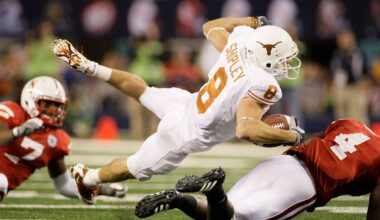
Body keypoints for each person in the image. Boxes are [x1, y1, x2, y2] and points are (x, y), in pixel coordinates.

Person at [51, 16, 303, 204]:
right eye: (283, 57)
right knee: (133, 168)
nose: (287, 63)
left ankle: (90, 67)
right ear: (267, 55)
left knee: (144, 91)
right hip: (183, 134)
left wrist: (250, 21)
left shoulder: (238, 45)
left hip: (187, 103)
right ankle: (89, 177)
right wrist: (292, 137)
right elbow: (246, 128)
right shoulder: (263, 83)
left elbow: (209, 27)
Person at [135, 118, 380, 220]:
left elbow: (311, 139)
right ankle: (213, 190)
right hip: (307, 185)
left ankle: (180, 200)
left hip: (283, 163)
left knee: (227, 213)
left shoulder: (353, 123)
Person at [0, 76, 125, 203]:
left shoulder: (56, 139)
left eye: (57, 105)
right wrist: (16, 132)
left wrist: (101, 190)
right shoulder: (13, 113)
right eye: (48, 104)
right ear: (31, 101)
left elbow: (64, 184)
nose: (54, 110)